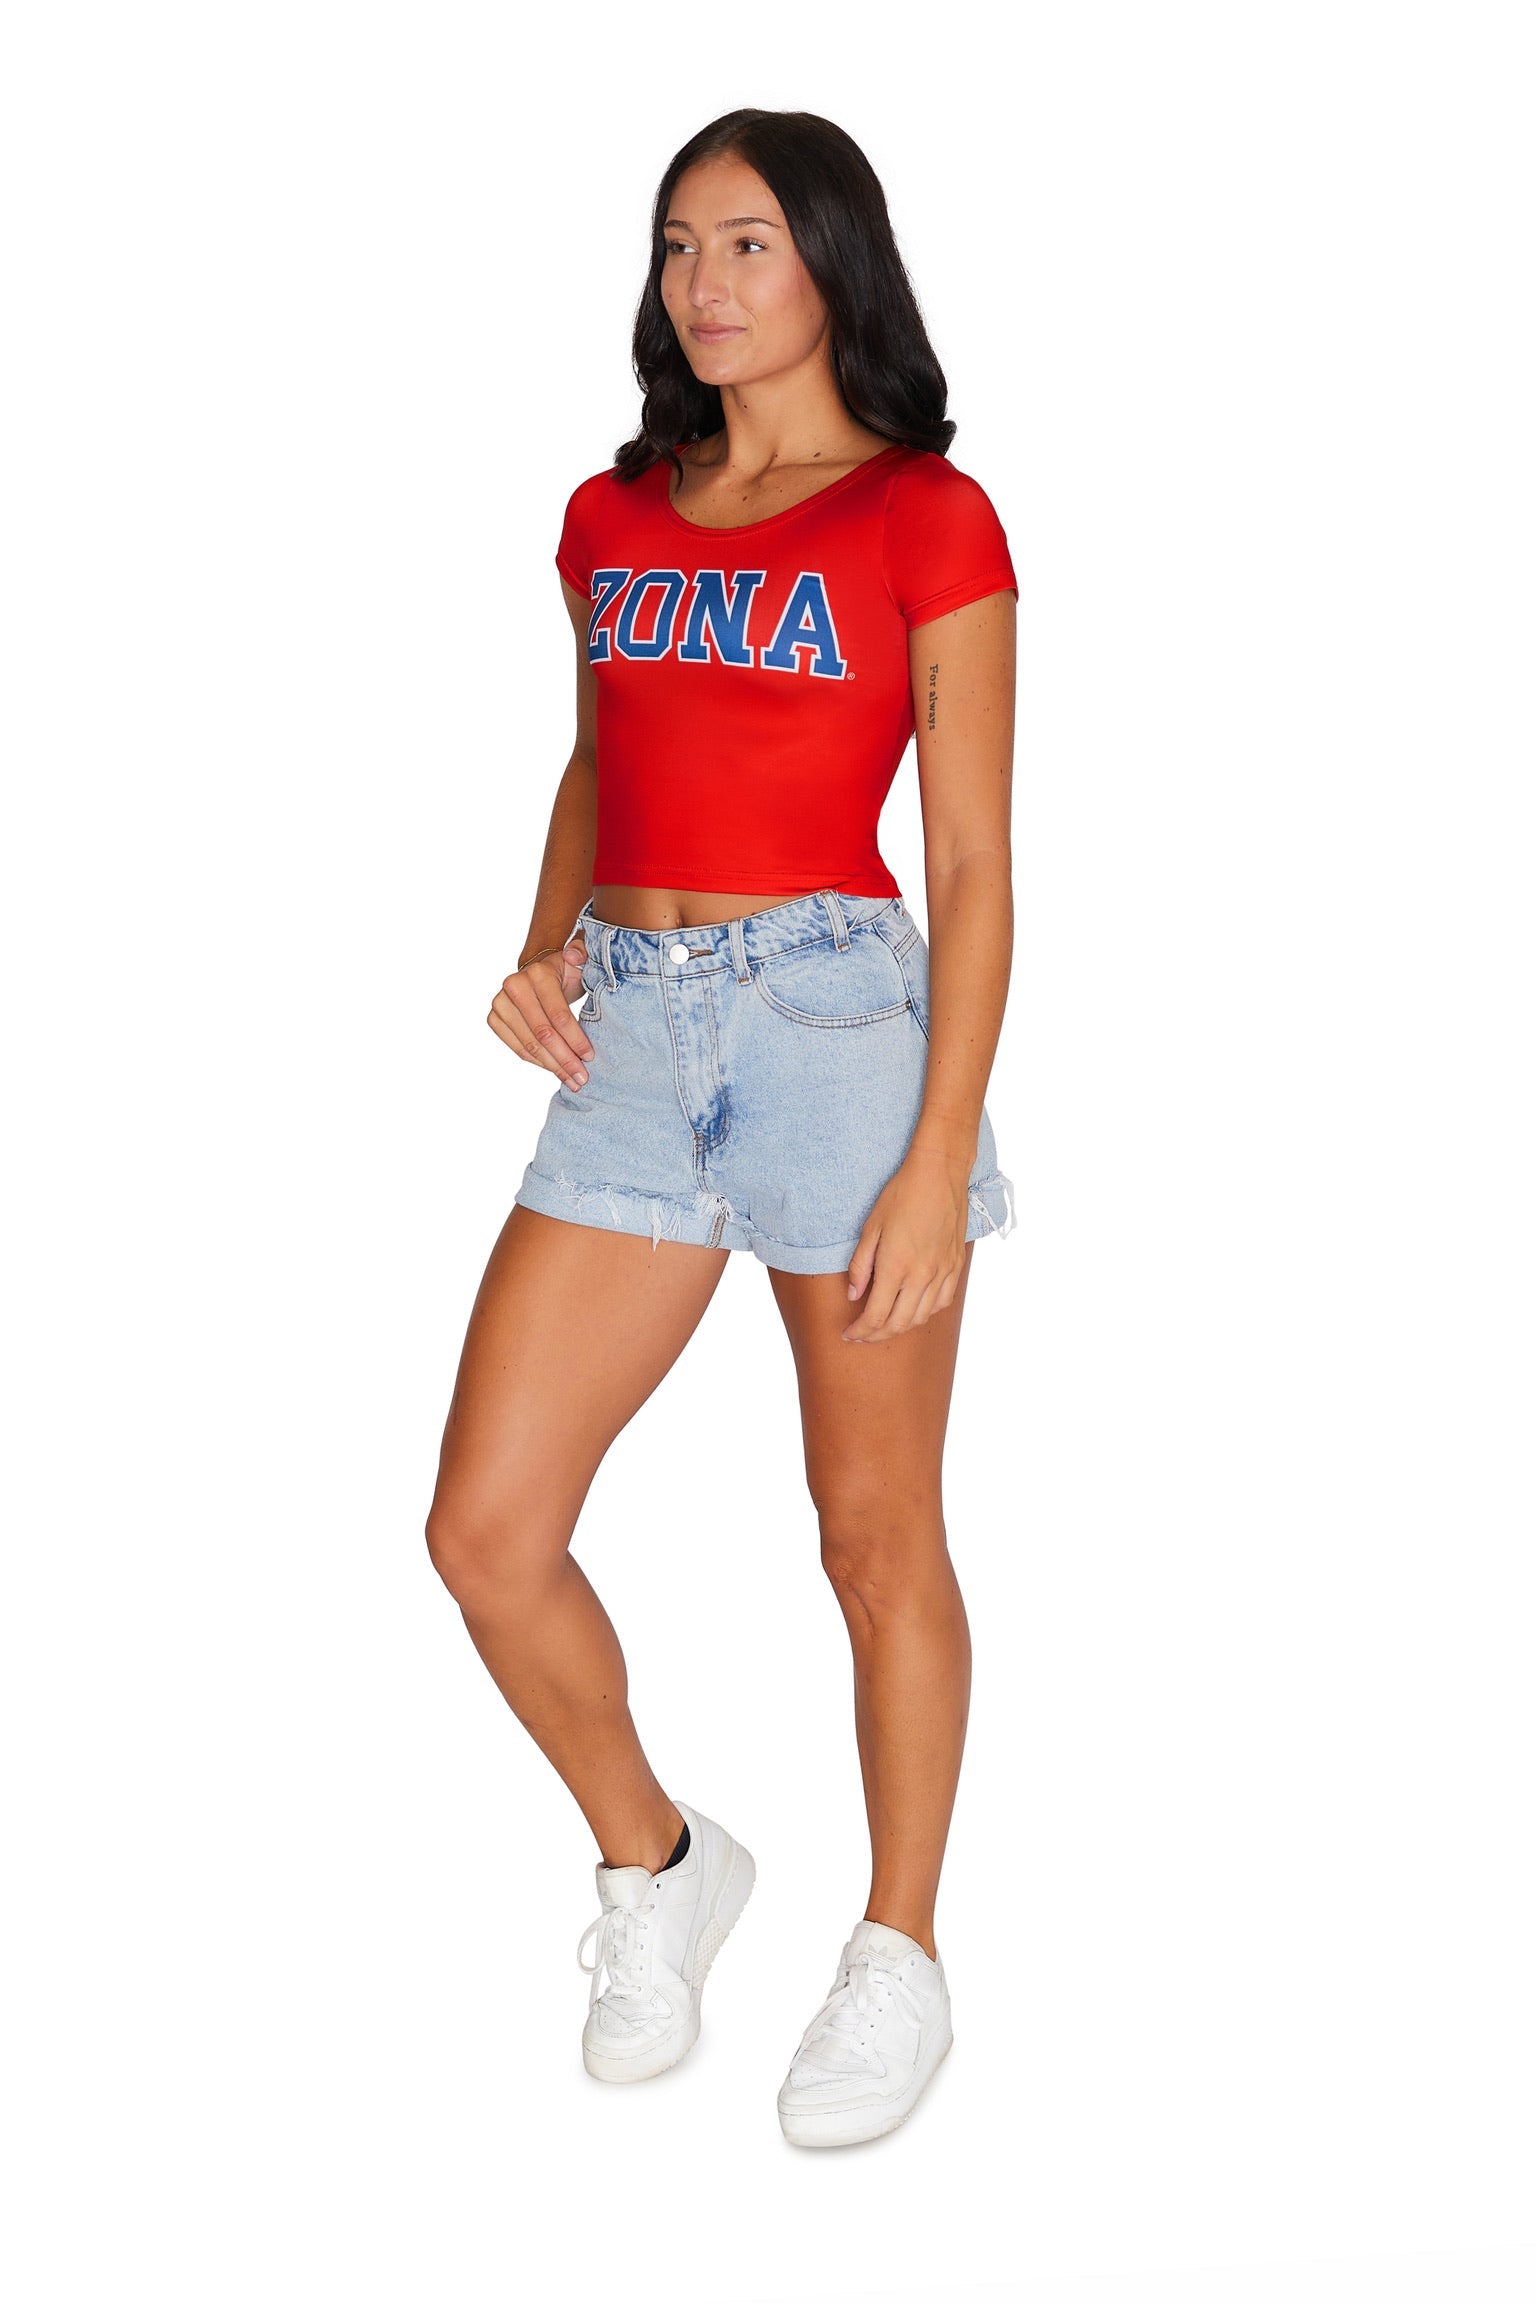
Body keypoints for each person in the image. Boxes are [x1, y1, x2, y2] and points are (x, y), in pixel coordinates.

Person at [425, 106, 1017, 2150]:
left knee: (871, 1532)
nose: (706, 282)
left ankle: (901, 1952)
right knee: (486, 1532)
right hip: (635, 1042)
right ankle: (662, 1863)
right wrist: (543, 946)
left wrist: (938, 1154)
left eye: (750, 242)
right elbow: (601, 761)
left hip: (838, 1026)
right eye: (681, 245)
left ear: (835, 263)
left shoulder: (925, 516)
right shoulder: (614, 512)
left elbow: (975, 862)